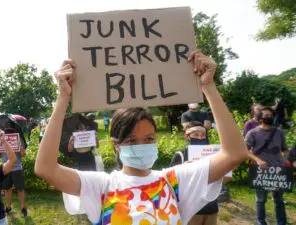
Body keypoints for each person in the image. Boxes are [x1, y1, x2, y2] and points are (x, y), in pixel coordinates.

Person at [35, 51, 249, 224]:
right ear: (116, 146)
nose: (141, 145)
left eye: (149, 139)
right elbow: (46, 168)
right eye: (131, 140)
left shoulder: (175, 181)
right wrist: (63, 98)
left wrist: (208, 87)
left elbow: (235, 153)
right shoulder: (102, 186)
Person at [170, 121, 231, 225]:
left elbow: (226, 179)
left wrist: (225, 170)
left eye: (202, 135)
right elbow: (171, 182)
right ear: (187, 136)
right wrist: (184, 170)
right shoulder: (180, 155)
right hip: (191, 209)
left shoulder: (213, 154)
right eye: (196, 134)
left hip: (211, 207)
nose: (200, 137)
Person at [246, 106, 288, 225]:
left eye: (270, 115)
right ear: (259, 118)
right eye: (265, 115)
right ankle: (261, 222)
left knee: (279, 199)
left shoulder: (279, 132)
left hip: (278, 170)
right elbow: (246, 151)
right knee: (260, 199)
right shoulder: (252, 133)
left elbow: (285, 149)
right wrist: (258, 160)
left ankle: (281, 222)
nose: (268, 117)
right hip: (260, 171)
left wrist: (285, 161)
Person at [0, 141, 28, 217]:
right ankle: (8, 207)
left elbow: (24, 155)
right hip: (6, 169)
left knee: (20, 189)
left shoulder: (18, 140)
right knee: (7, 189)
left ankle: (23, 208)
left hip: (17, 169)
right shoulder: (0, 142)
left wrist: (21, 148)